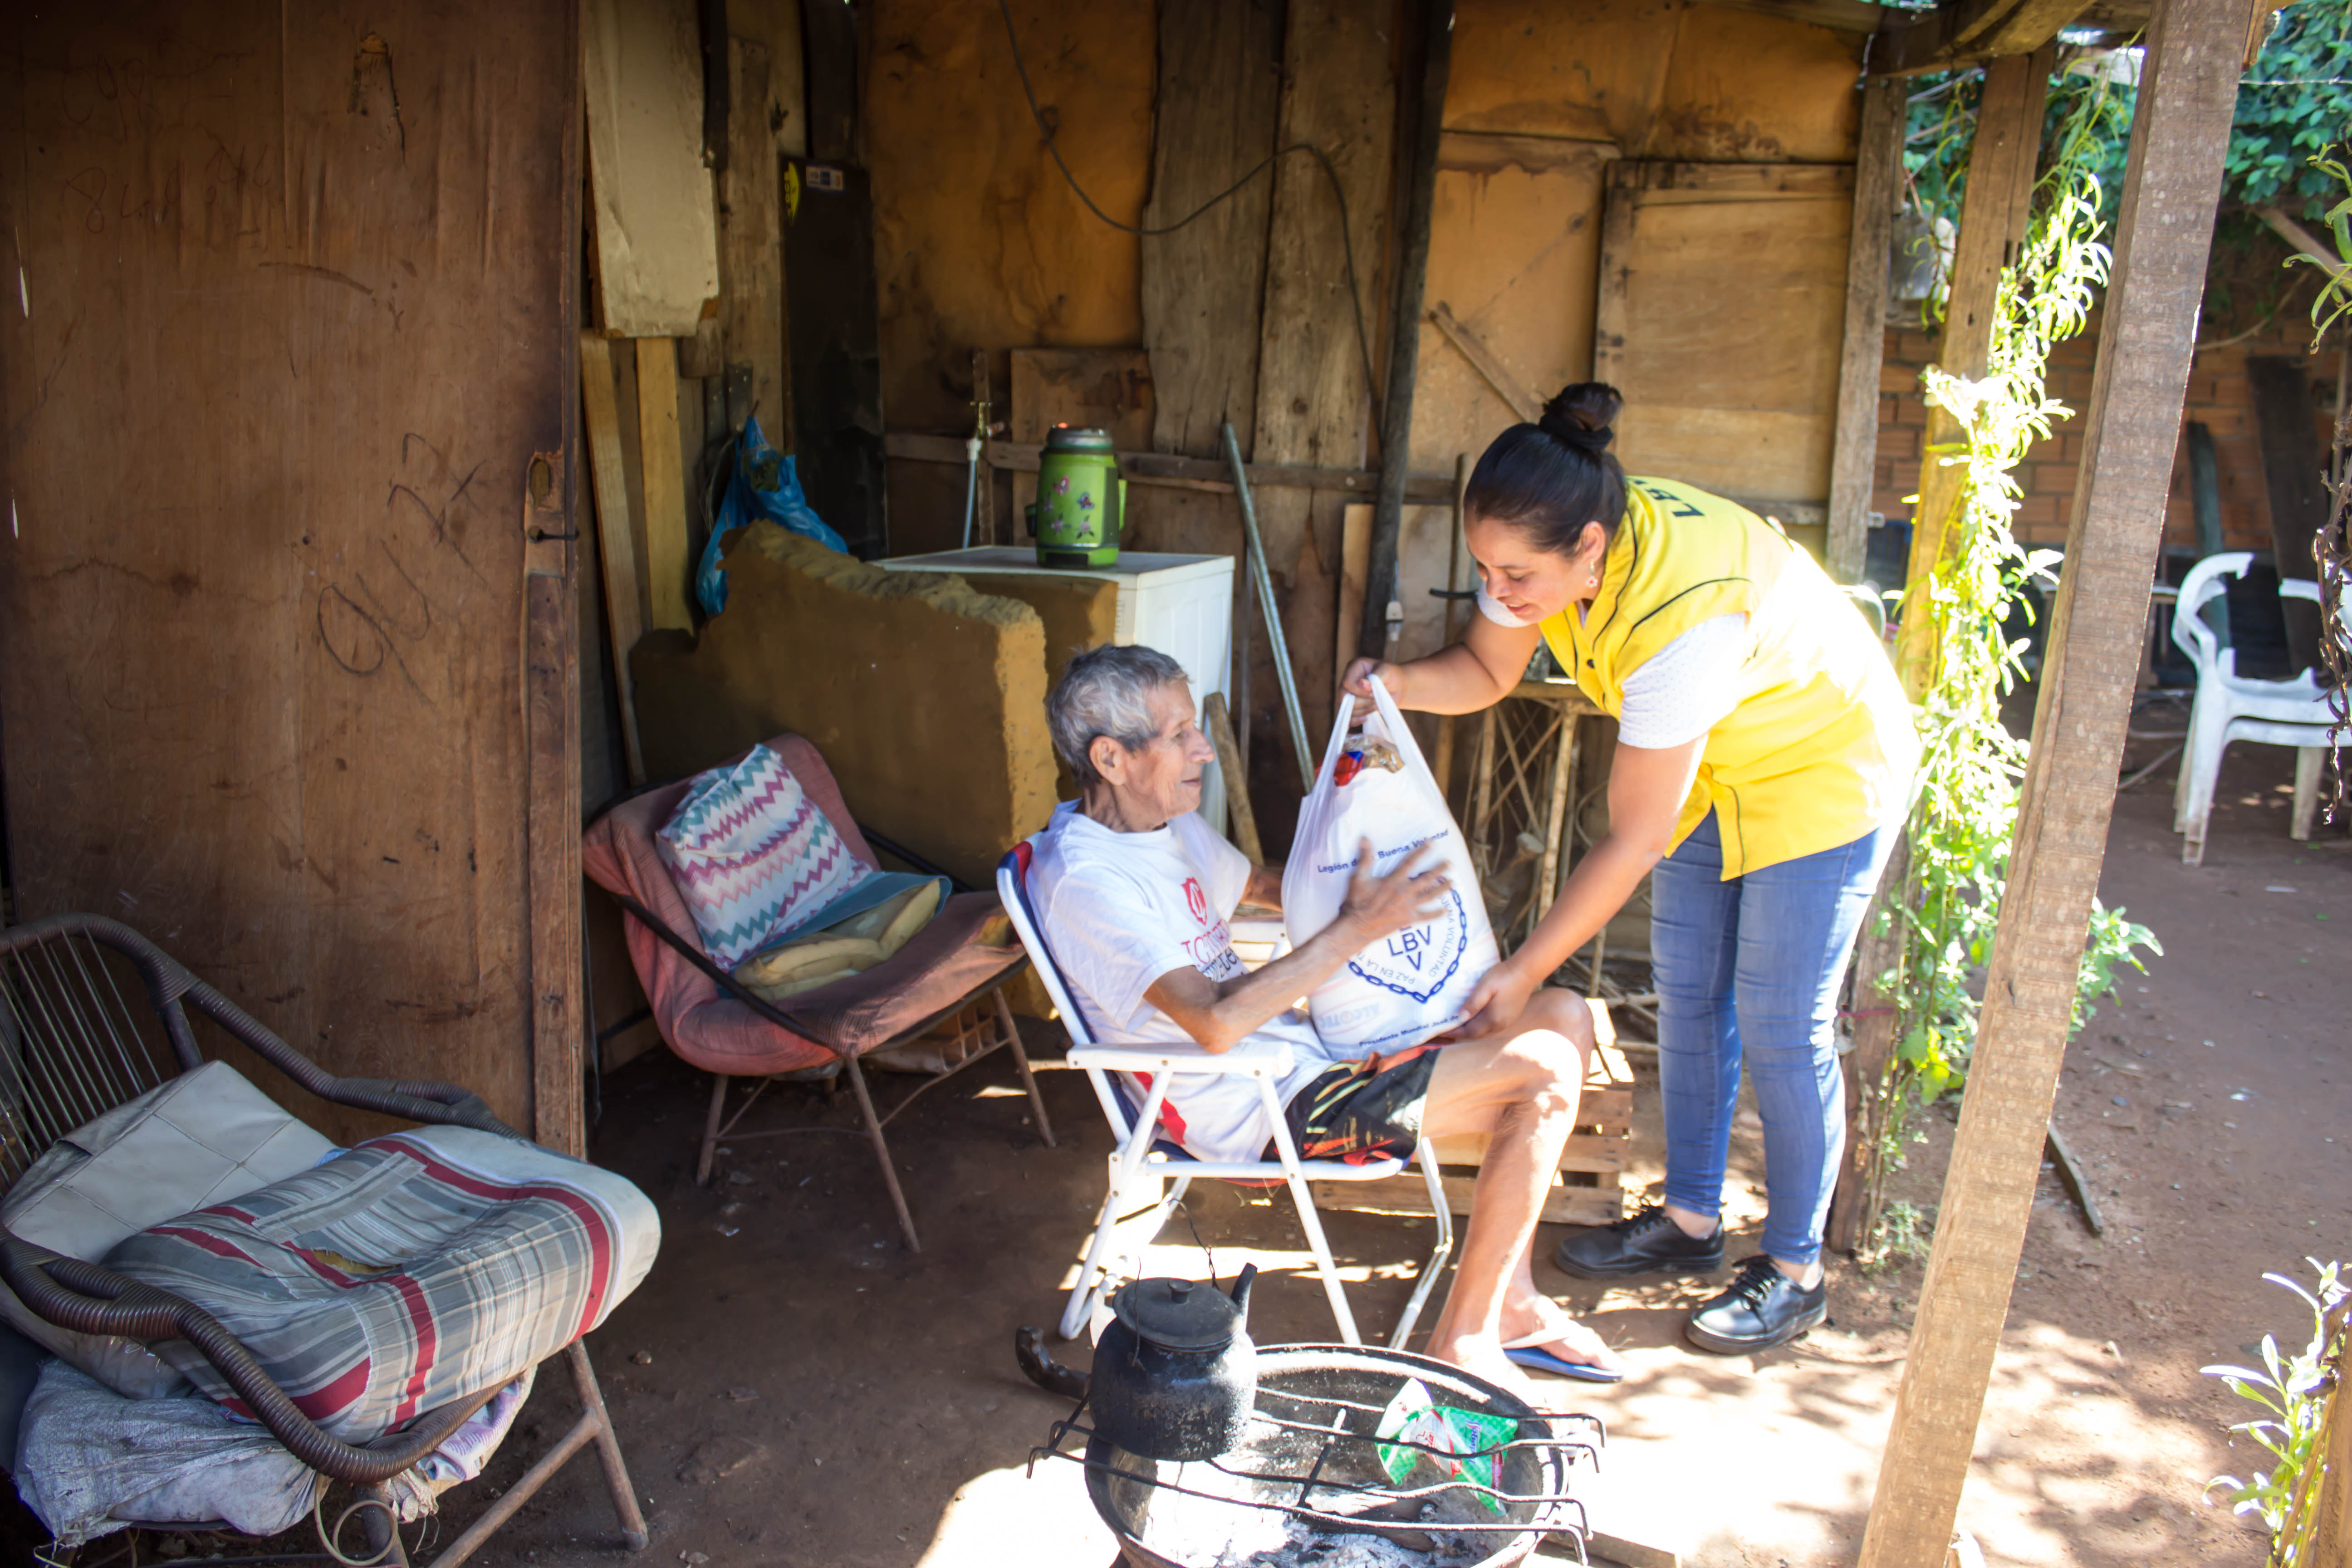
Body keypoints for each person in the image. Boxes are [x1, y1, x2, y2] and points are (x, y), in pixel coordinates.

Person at [1342, 382, 1918, 1355]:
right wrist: (1395, 685)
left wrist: (1523, 971)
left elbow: (1633, 840)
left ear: (1591, 548)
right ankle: (1690, 1220)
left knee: (1782, 1021)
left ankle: (1794, 1271)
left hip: (1822, 762)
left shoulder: (1682, 624)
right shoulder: (1546, 537)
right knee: (1691, 995)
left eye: (1517, 575)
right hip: (1716, 759)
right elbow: (1487, 671)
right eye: (1485, 568)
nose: (1499, 590)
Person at [1025, 644, 1623, 1400]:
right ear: (1111, 758)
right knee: (1543, 1072)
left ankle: (1510, 1299)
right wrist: (1359, 928)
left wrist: (1353, 824)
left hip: (1304, 1054)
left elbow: (1268, 887)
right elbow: (1214, 1025)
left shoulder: (1159, 827)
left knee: (1562, 1014)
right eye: (1178, 734)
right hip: (1263, 1106)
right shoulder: (1089, 880)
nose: (1202, 748)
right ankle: (1464, 1340)